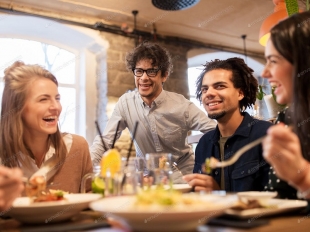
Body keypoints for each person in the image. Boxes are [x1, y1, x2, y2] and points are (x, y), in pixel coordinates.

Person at [90, 42, 216, 183]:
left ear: (164, 76)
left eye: (151, 71)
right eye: (139, 71)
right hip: (147, 180)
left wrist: (207, 164)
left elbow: (214, 130)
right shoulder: (125, 103)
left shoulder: (182, 105)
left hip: (182, 177)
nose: (144, 78)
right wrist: (87, 168)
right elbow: (105, 141)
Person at [0, 61, 92, 193]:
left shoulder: (78, 148)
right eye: (43, 99)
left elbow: (91, 205)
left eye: (57, 98)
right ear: (16, 107)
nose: (56, 107)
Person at [183, 58, 271, 192]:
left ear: (240, 93)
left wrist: (218, 194)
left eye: (220, 86)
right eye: (205, 89)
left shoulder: (266, 135)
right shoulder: (204, 144)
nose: (209, 93)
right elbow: (199, 197)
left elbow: (277, 199)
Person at [261, 11, 310, 200]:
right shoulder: (286, 119)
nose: (264, 73)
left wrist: (304, 177)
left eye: (273, 60)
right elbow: (279, 196)